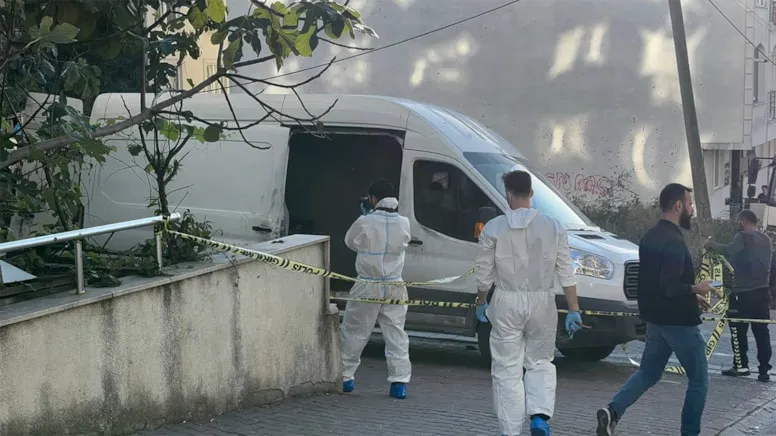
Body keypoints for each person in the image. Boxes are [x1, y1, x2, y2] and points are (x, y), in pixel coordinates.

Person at [596, 183, 714, 436]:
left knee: (648, 372)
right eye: (690, 204)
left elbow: (657, 284)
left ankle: (612, 411)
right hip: (679, 323)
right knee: (699, 380)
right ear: (678, 206)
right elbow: (670, 286)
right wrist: (697, 289)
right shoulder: (674, 241)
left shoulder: (649, 237)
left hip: (655, 322)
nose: (692, 209)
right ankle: (690, 432)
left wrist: (691, 296)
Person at [474, 170, 584, 436]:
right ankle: (539, 416)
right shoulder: (554, 227)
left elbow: (483, 275)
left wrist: (481, 302)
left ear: (508, 193)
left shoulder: (494, 228)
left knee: (507, 367)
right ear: (531, 193)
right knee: (541, 361)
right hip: (543, 301)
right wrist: (574, 309)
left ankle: (510, 429)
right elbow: (566, 272)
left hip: (506, 301)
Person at [340, 178, 412, 399]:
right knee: (396, 333)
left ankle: (345, 377)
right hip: (395, 284)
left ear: (373, 198)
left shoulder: (365, 221)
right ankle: (399, 383)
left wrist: (366, 220)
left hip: (368, 284)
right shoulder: (404, 222)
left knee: (355, 330)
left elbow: (350, 242)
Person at [705, 209, 773, 382]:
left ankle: (741, 366)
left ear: (743, 221)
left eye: (738, 221)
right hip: (762, 291)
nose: (737, 224)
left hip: (743, 292)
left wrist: (712, 245)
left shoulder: (742, 236)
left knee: (738, 329)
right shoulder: (766, 239)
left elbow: (730, 250)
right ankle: (764, 370)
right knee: (761, 331)